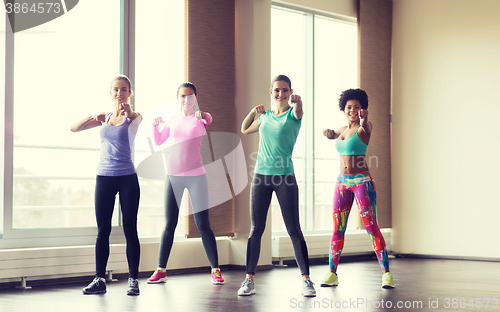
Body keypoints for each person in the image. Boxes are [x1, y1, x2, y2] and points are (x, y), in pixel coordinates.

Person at [238, 75, 315, 297]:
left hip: (284, 177)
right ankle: (249, 279)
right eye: (277, 90)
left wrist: (298, 102)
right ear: (271, 92)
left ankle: (306, 280)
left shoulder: (293, 115)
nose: (280, 93)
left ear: (290, 92)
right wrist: (254, 112)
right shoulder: (266, 117)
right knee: (256, 230)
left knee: (294, 229)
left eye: (285, 90)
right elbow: (245, 129)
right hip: (261, 177)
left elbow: (299, 111)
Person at [146, 82, 224, 285]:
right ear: (178, 98)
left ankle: (215, 270)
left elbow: (209, 119)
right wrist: (155, 125)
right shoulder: (172, 120)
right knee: (169, 224)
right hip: (174, 176)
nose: (186, 99)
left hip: (197, 176)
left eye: (190, 96)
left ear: (195, 97)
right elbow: (159, 141)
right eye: (183, 96)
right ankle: (161, 270)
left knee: (203, 224)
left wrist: (204, 115)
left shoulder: (200, 119)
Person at [71, 75, 143, 295]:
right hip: (104, 177)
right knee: (103, 230)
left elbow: (133, 116)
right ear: (110, 92)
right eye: (116, 90)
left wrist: (128, 112)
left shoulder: (134, 117)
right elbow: (74, 128)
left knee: (130, 229)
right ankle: (99, 279)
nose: (119, 93)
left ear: (129, 93)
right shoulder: (105, 117)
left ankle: (133, 280)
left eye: (123, 89)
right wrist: (92, 116)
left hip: (127, 177)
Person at [321, 88, 395, 289]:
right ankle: (332, 273)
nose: (353, 110)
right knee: (338, 229)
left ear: (362, 109)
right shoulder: (343, 130)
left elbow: (365, 125)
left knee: (371, 227)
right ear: (343, 109)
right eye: (349, 107)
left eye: (357, 107)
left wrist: (364, 118)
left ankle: (386, 274)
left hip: (362, 183)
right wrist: (328, 133)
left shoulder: (364, 128)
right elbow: (333, 134)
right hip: (342, 183)